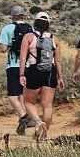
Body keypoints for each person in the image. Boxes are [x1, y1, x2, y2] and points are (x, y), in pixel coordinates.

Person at [18, 11, 61, 142]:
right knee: (47, 105)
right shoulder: (55, 39)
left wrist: (21, 74)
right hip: (50, 73)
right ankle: (44, 135)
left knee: (28, 101)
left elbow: (23, 57)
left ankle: (37, 121)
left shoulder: (29, 37)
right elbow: (58, 61)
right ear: (48, 24)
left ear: (35, 23)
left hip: (34, 71)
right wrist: (60, 77)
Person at [0, 5, 35, 134]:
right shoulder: (31, 29)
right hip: (29, 65)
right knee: (23, 95)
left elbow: (2, 49)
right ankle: (23, 125)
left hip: (13, 65)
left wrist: (9, 46)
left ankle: (24, 116)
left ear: (12, 16)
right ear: (23, 15)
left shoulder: (7, 28)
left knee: (13, 97)